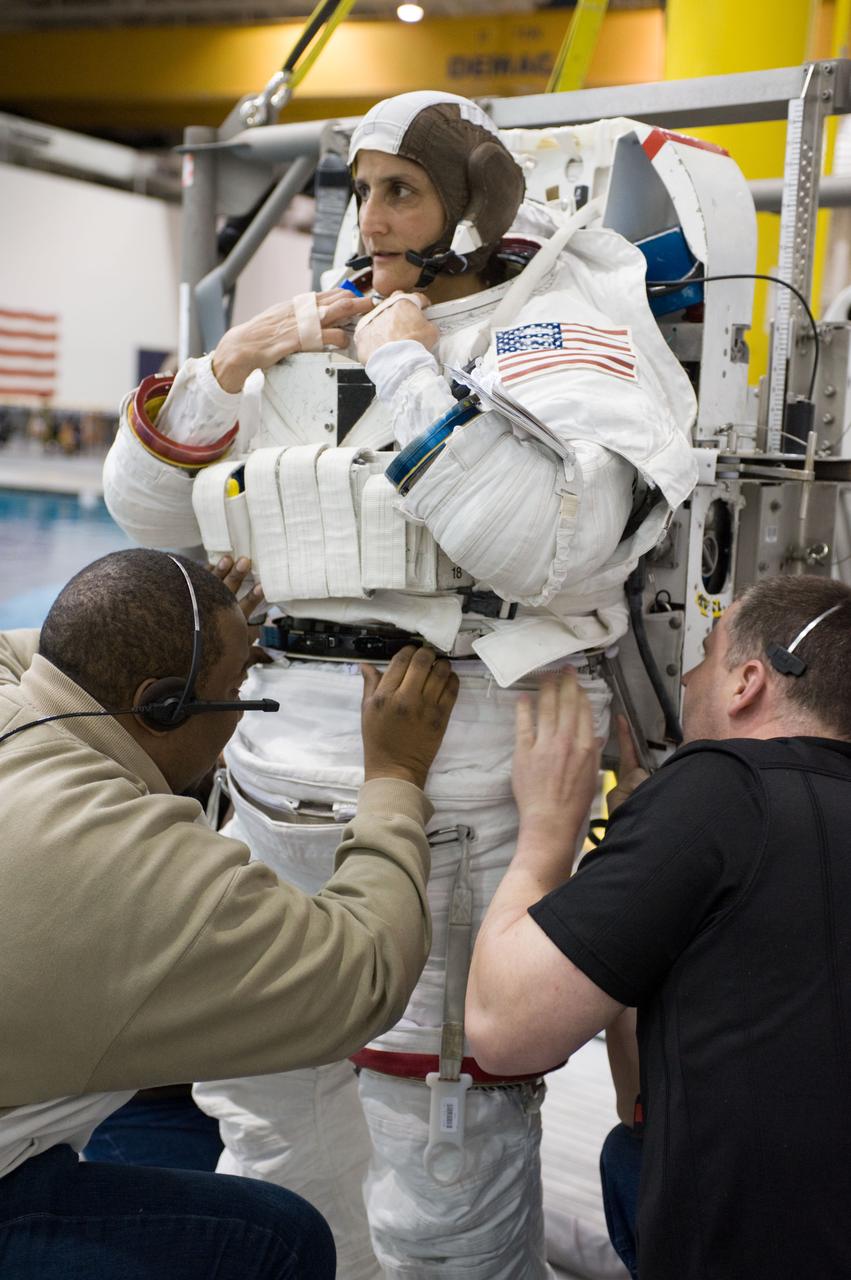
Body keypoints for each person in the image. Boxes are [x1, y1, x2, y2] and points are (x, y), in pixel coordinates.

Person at [102, 90, 699, 1278]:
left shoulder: (556, 323)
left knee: (441, 1147)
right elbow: (150, 517)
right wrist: (226, 367)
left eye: (400, 191)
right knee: (268, 1119)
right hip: (275, 773)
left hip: (459, 786)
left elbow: (543, 541)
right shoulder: (321, 329)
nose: (367, 219)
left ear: (470, 205)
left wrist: (407, 365)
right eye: (359, 190)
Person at [0, 547, 458, 1280]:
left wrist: (191, 638)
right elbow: (362, 977)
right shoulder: (136, 873)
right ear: (163, 707)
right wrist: (395, 779)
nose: (240, 707)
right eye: (237, 691)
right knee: (273, 1238)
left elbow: (74, 653)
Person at [466, 573, 851, 1280]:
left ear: (748, 684)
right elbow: (643, 1101)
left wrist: (548, 832)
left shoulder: (727, 786)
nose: (687, 677)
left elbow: (503, 1032)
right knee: (629, 1152)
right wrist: (643, 864)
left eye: (705, 655)